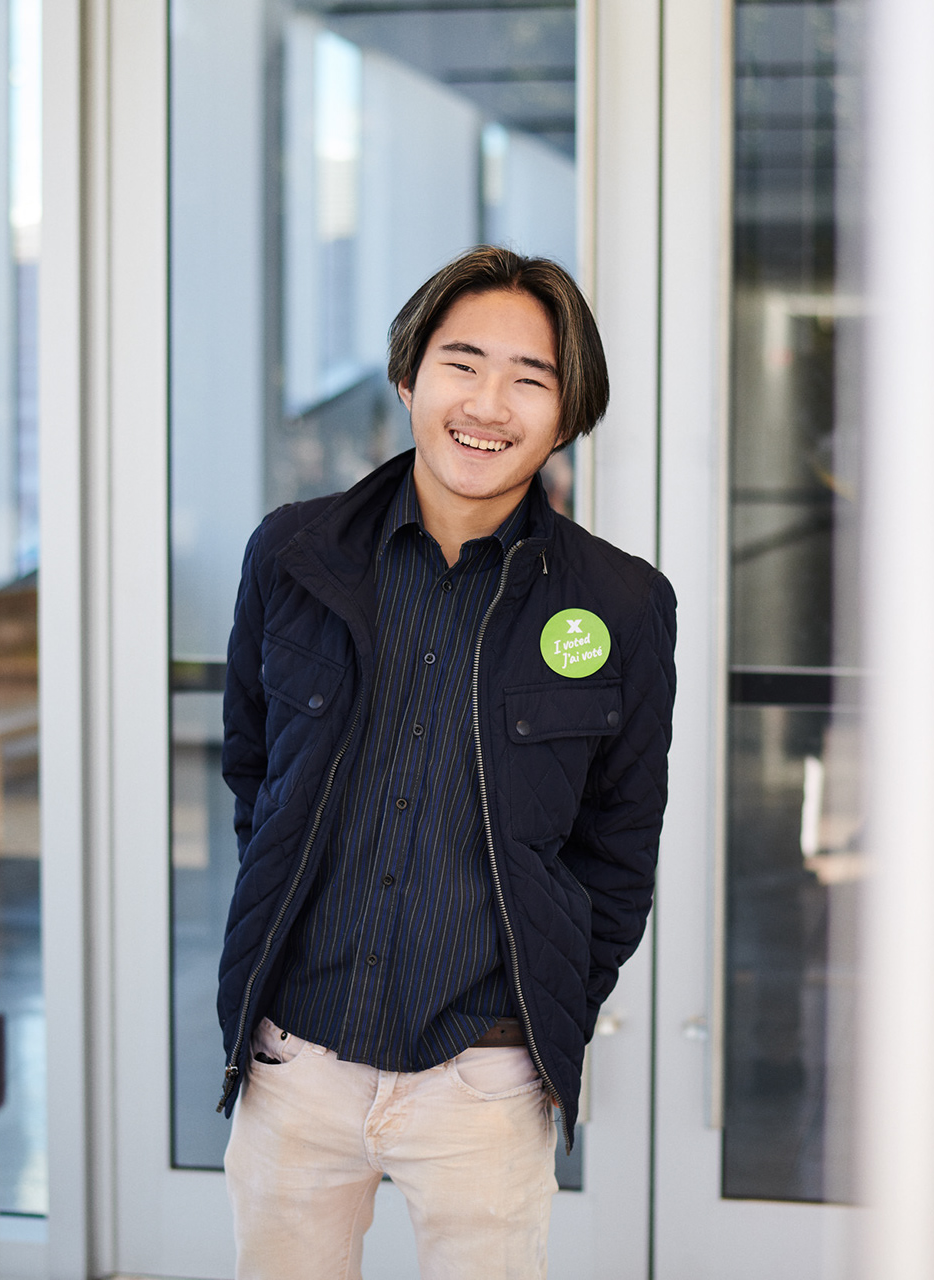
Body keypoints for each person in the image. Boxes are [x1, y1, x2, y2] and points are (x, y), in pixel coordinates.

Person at [216, 245, 677, 1278]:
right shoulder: (291, 555)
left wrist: (535, 1020)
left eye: (532, 377)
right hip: (299, 1060)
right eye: (462, 362)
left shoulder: (622, 604)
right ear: (408, 377)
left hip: (483, 1077)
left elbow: (619, 843)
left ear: (567, 416)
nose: (489, 402)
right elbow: (258, 771)